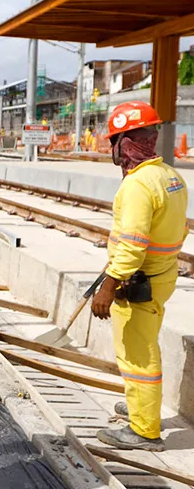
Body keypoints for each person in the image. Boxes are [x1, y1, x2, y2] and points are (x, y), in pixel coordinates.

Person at [91, 101, 187, 452]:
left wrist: (110, 283)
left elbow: (133, 243)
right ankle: (139, 406)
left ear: (124, 144)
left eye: (115, 143)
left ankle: (144, 431)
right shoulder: (170, 176)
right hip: (160, 276)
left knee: (138, 355)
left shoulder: (138, 185)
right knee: (142, 348)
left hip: (138, 282)